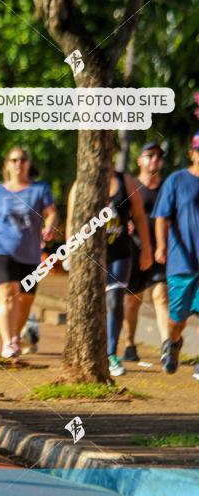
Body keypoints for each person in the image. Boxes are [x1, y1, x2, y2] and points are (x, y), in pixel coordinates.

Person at [68, 166, 152, 376]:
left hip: (121, 253)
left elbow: (140, 216)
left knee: (115, 301)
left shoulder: (125, 180)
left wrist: (146, 248)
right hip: (90, 256)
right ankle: (88, 351)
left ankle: (111, 353)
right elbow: (72, 221)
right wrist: (69, 251)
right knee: (91, 303)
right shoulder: (81, 182)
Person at [0, 147, 56, 359]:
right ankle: (9, 342)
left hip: (30, 253)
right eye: (13, 160)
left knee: (25, 299)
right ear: (7, 165)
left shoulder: (40, 189)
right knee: (7, 292)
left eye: (22, 159)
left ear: (28, 163)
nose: (18, 164)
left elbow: (51, 213)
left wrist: (49, 226)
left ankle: (15, 335)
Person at [152, 132, 199, 381]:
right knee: (177, 317)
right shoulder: (176, 180)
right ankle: (173, 342)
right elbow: (162, 215)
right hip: (182, 260)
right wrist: (160, 246)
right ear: (192, 153)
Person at [123, 142, 169, 362]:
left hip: (162, 251)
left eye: (159, 157)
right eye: (150, 155)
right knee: (133, 300)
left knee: (161, 295)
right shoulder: (131, 186)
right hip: (134, 250)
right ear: (139, 160)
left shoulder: (167, 187)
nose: (155, 160)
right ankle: (129, 345)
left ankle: (167, 347)